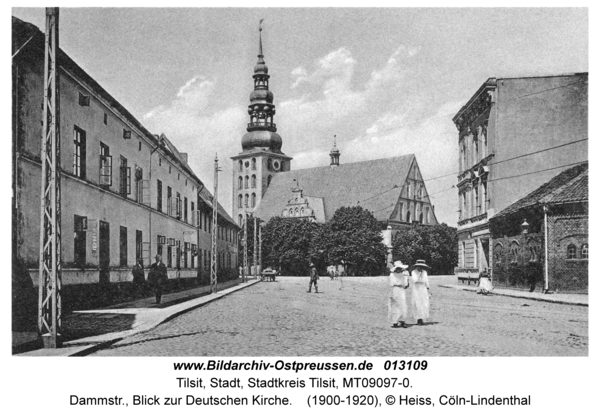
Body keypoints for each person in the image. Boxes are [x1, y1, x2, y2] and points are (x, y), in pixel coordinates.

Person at [388, 260, 410, 328]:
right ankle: (395, 322)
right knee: (395, 305)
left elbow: (405, 284)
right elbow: (391, 284)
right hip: (395, 289)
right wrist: (391, 293)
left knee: (403, 305)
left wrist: (407, 281)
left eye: (400, 268)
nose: (399, 269)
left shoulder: (402, 275)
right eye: (398, 268)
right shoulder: (392, 275)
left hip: (401, 290)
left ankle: (403, 321)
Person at [410, 259, 431, 326]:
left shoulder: (424, 272)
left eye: (421, 267)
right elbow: (414, 280)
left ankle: (422, 318)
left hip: (423, 288)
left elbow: (426, 280)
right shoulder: (413, 272)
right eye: (419, 266)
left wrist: (428, 288)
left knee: (424, 303)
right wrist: (419, 274)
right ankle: (418, 319)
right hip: (416, 288)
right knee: (417, 303)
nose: (420, 268)